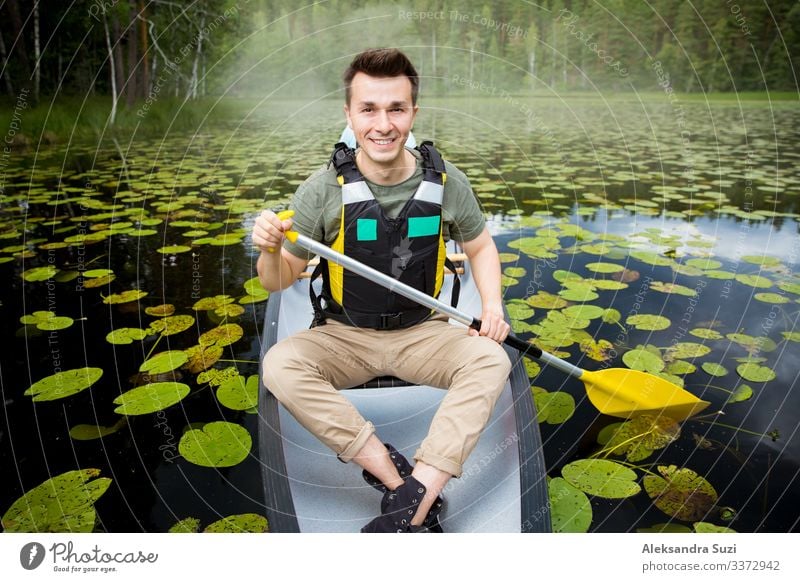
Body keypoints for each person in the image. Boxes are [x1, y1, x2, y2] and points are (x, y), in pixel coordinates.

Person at [252, 48, 511, 533]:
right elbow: (278, 280)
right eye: (369, 109)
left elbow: (479, 246)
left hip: (423, 332)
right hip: (345, 335)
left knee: (492, 359)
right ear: (349, 115)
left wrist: (492, 306)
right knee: (280, 365)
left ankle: (420, 489)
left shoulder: (448, 182)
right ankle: (390, 472)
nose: (383, 123)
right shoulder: (321, 190)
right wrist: (269, 249)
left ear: (413, 112)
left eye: (396, 108)